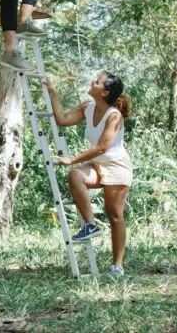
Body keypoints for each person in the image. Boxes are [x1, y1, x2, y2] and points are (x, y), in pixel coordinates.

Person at [43, 72, 133, 277]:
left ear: (105, 92)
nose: (92, 82)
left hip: (117, 166)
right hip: (98, 165)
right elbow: (62, 119)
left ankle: (117, 266)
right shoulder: (87, 107)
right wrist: (53, 93)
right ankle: (91, 225)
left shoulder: (114, 115)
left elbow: (102, 147)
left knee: (115, 215)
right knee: (75, 176)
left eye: (97, 82)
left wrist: (72, 159)